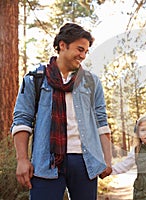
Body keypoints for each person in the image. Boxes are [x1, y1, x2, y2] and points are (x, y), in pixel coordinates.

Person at [11, 23, 112, 200]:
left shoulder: (91, 82)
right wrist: (22, 160)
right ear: (62, 45)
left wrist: (107, 161)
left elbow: (101, 122)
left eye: (86, 51)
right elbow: (22, 121)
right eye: (80, 49)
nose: (83, 55)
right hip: (46, 162)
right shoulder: (35, 79)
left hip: (84, 162)